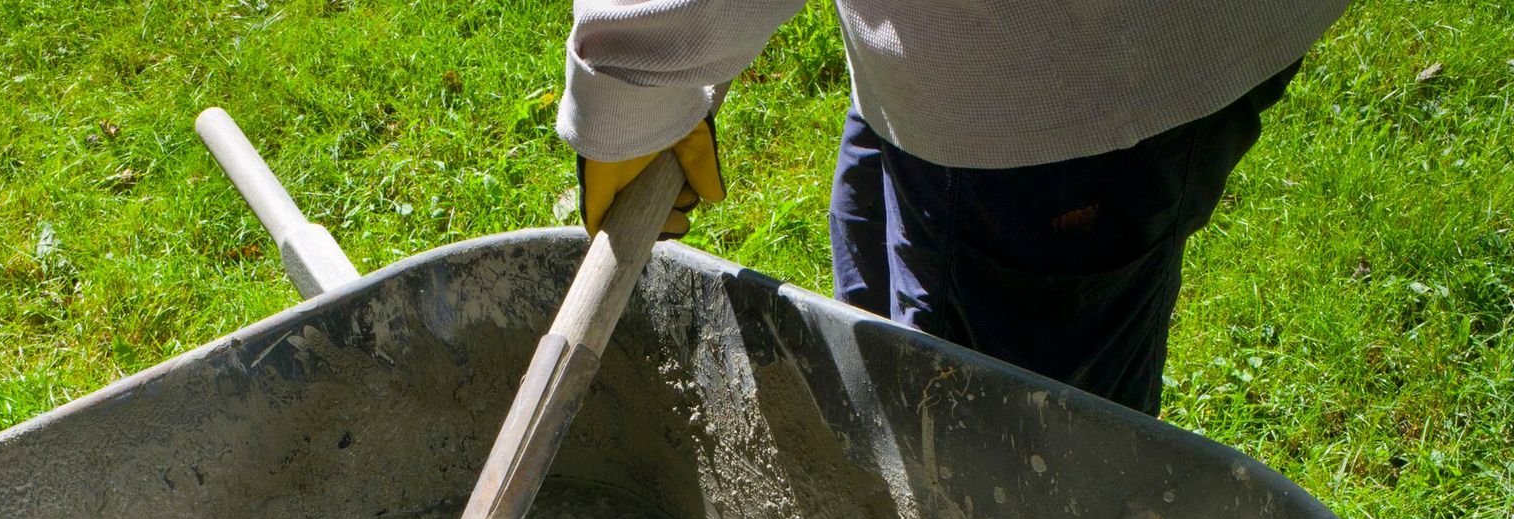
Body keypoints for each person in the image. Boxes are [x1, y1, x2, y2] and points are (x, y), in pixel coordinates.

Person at [556, 0, 1345, 415]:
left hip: (1065, 74)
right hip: (976, 42)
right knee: (891, 317)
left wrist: (631, 88)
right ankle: (905, 510)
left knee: (1031, 450)